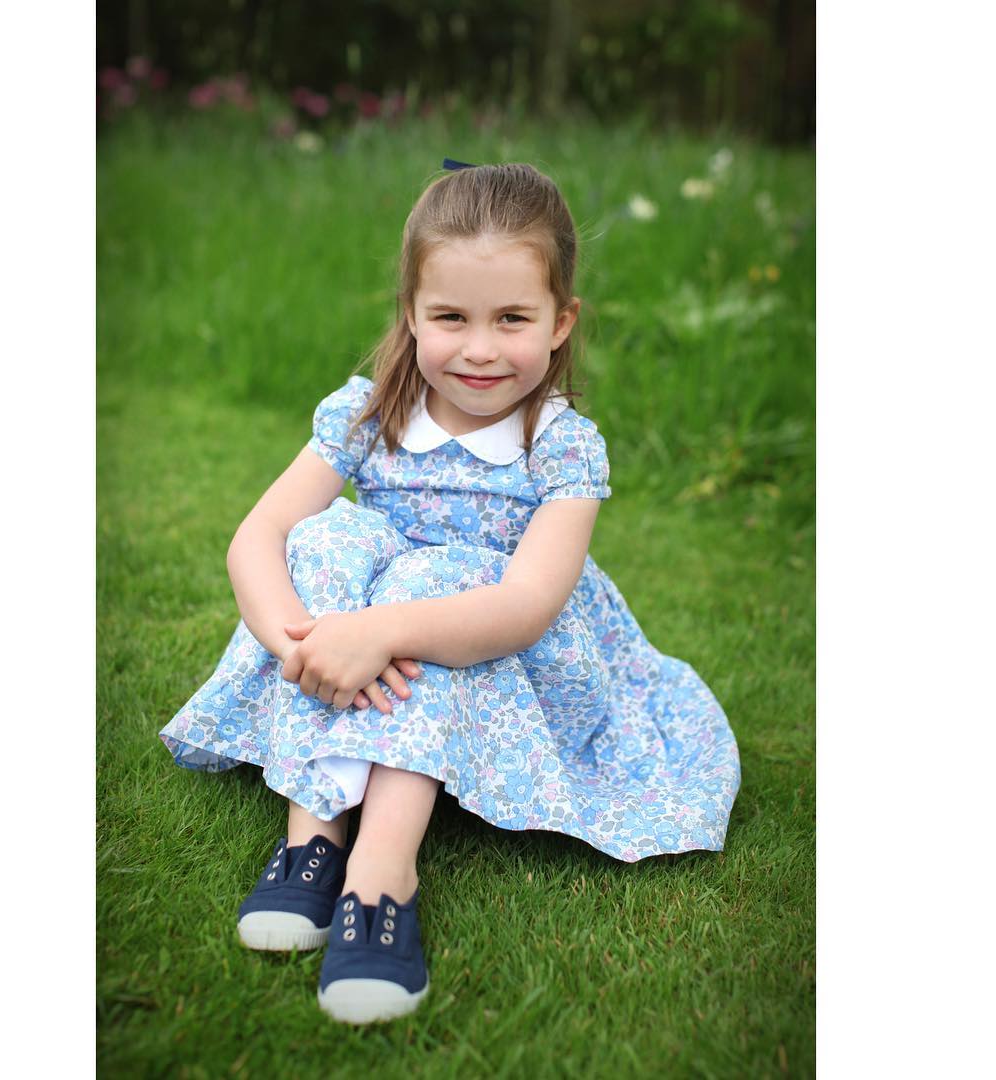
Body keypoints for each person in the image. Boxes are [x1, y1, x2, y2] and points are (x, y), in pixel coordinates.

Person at [159, 160, 741, 1025]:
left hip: (504, 647)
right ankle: (312, 839)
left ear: (560, 321)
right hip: (357, 636)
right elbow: (259, 536)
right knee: (326, 539)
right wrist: (304, 648)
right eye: (451, 317)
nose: (480, 348)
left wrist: (381, 633)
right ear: (411, 313)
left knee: (444, 575)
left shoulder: (561, 445)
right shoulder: (367, 414)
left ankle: (381, 874)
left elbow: (524, 606)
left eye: (512, 318)